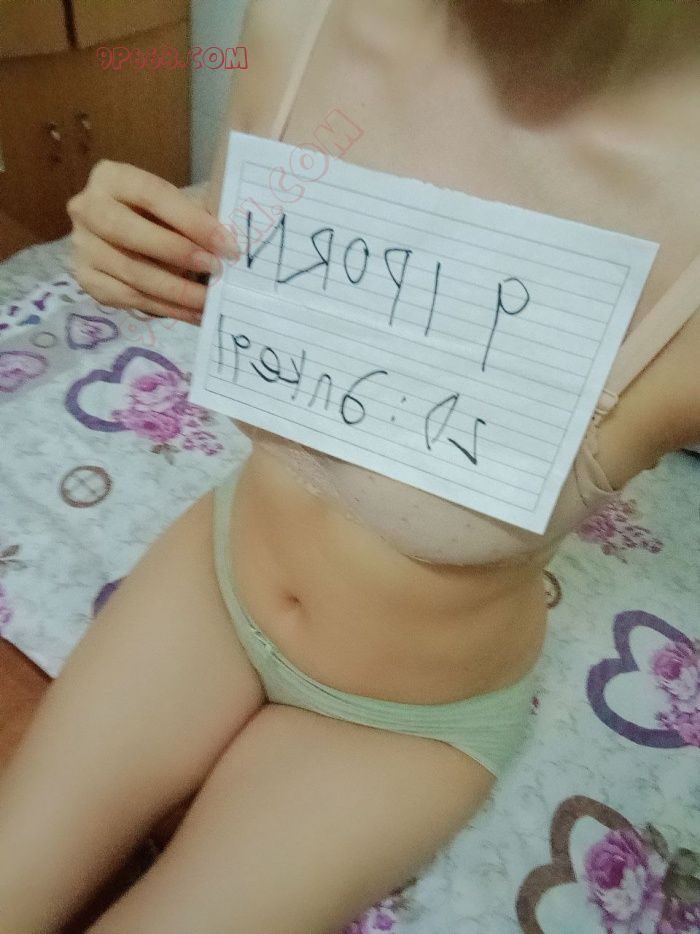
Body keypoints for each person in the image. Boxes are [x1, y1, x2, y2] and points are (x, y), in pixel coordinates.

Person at [1, 0, 698, 930]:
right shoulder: (300, 22)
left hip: (399, 721)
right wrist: (137, 240)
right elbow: (233, 256)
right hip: (217, 580)